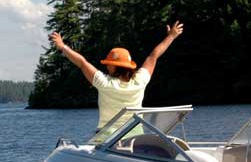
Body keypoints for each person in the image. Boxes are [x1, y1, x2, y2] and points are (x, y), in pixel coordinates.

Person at [49, 21, 184, 130]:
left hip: (107, 139)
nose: (107, 66)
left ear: (116, 67)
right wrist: (171, 36)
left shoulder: (105, 83)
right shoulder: (140, 81)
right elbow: (153, 56)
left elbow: (82, 63)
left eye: (109, 63)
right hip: (135, 137)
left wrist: (62, 46)